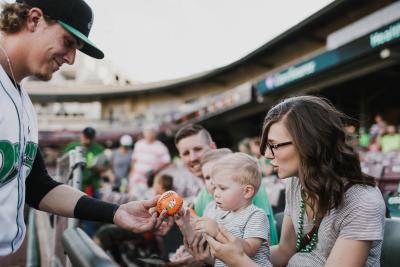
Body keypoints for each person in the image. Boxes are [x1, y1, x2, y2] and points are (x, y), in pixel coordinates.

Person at [0, 0, 163, 256]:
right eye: (68, 42)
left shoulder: (23, 103)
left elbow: (38, 187)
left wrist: (116, 212)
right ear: (34, 20)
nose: (71, 59)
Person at [205, 96, 386, 267]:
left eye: (274, 145)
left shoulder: (362, 202)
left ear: (309, 143)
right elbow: (285, 252)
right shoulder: (296, 182)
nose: (267, 155)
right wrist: (215, 259)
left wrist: (239, 262)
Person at [194, 153, 271, 267]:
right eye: (215, 187)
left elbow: (249, 249)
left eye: (222, 188)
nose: (216, 193)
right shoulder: (219, 215)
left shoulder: (256, 216)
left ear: (247, 191)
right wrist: (185, 224)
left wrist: (217, 232)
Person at [128, 123, 171, 199]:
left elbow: (166, 161)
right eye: (147, 131)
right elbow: (134, 160)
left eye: (151, 131)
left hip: (149, 180)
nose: (149, 134)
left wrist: (154, 170)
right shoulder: (138, 144)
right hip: (136, 179)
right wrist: (131, 175)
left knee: (147, 201)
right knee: (133, 200)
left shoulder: (161, 146)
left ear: (155, 133)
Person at [64, 127, 104, 197]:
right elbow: (63, 163)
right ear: (82, 136)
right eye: (86, 137)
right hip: (74, 184)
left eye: (90, 138)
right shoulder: (72, 147)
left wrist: (97, 168)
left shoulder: (98, 149)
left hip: (93, 185)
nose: (87, 140)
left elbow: (105, 165)